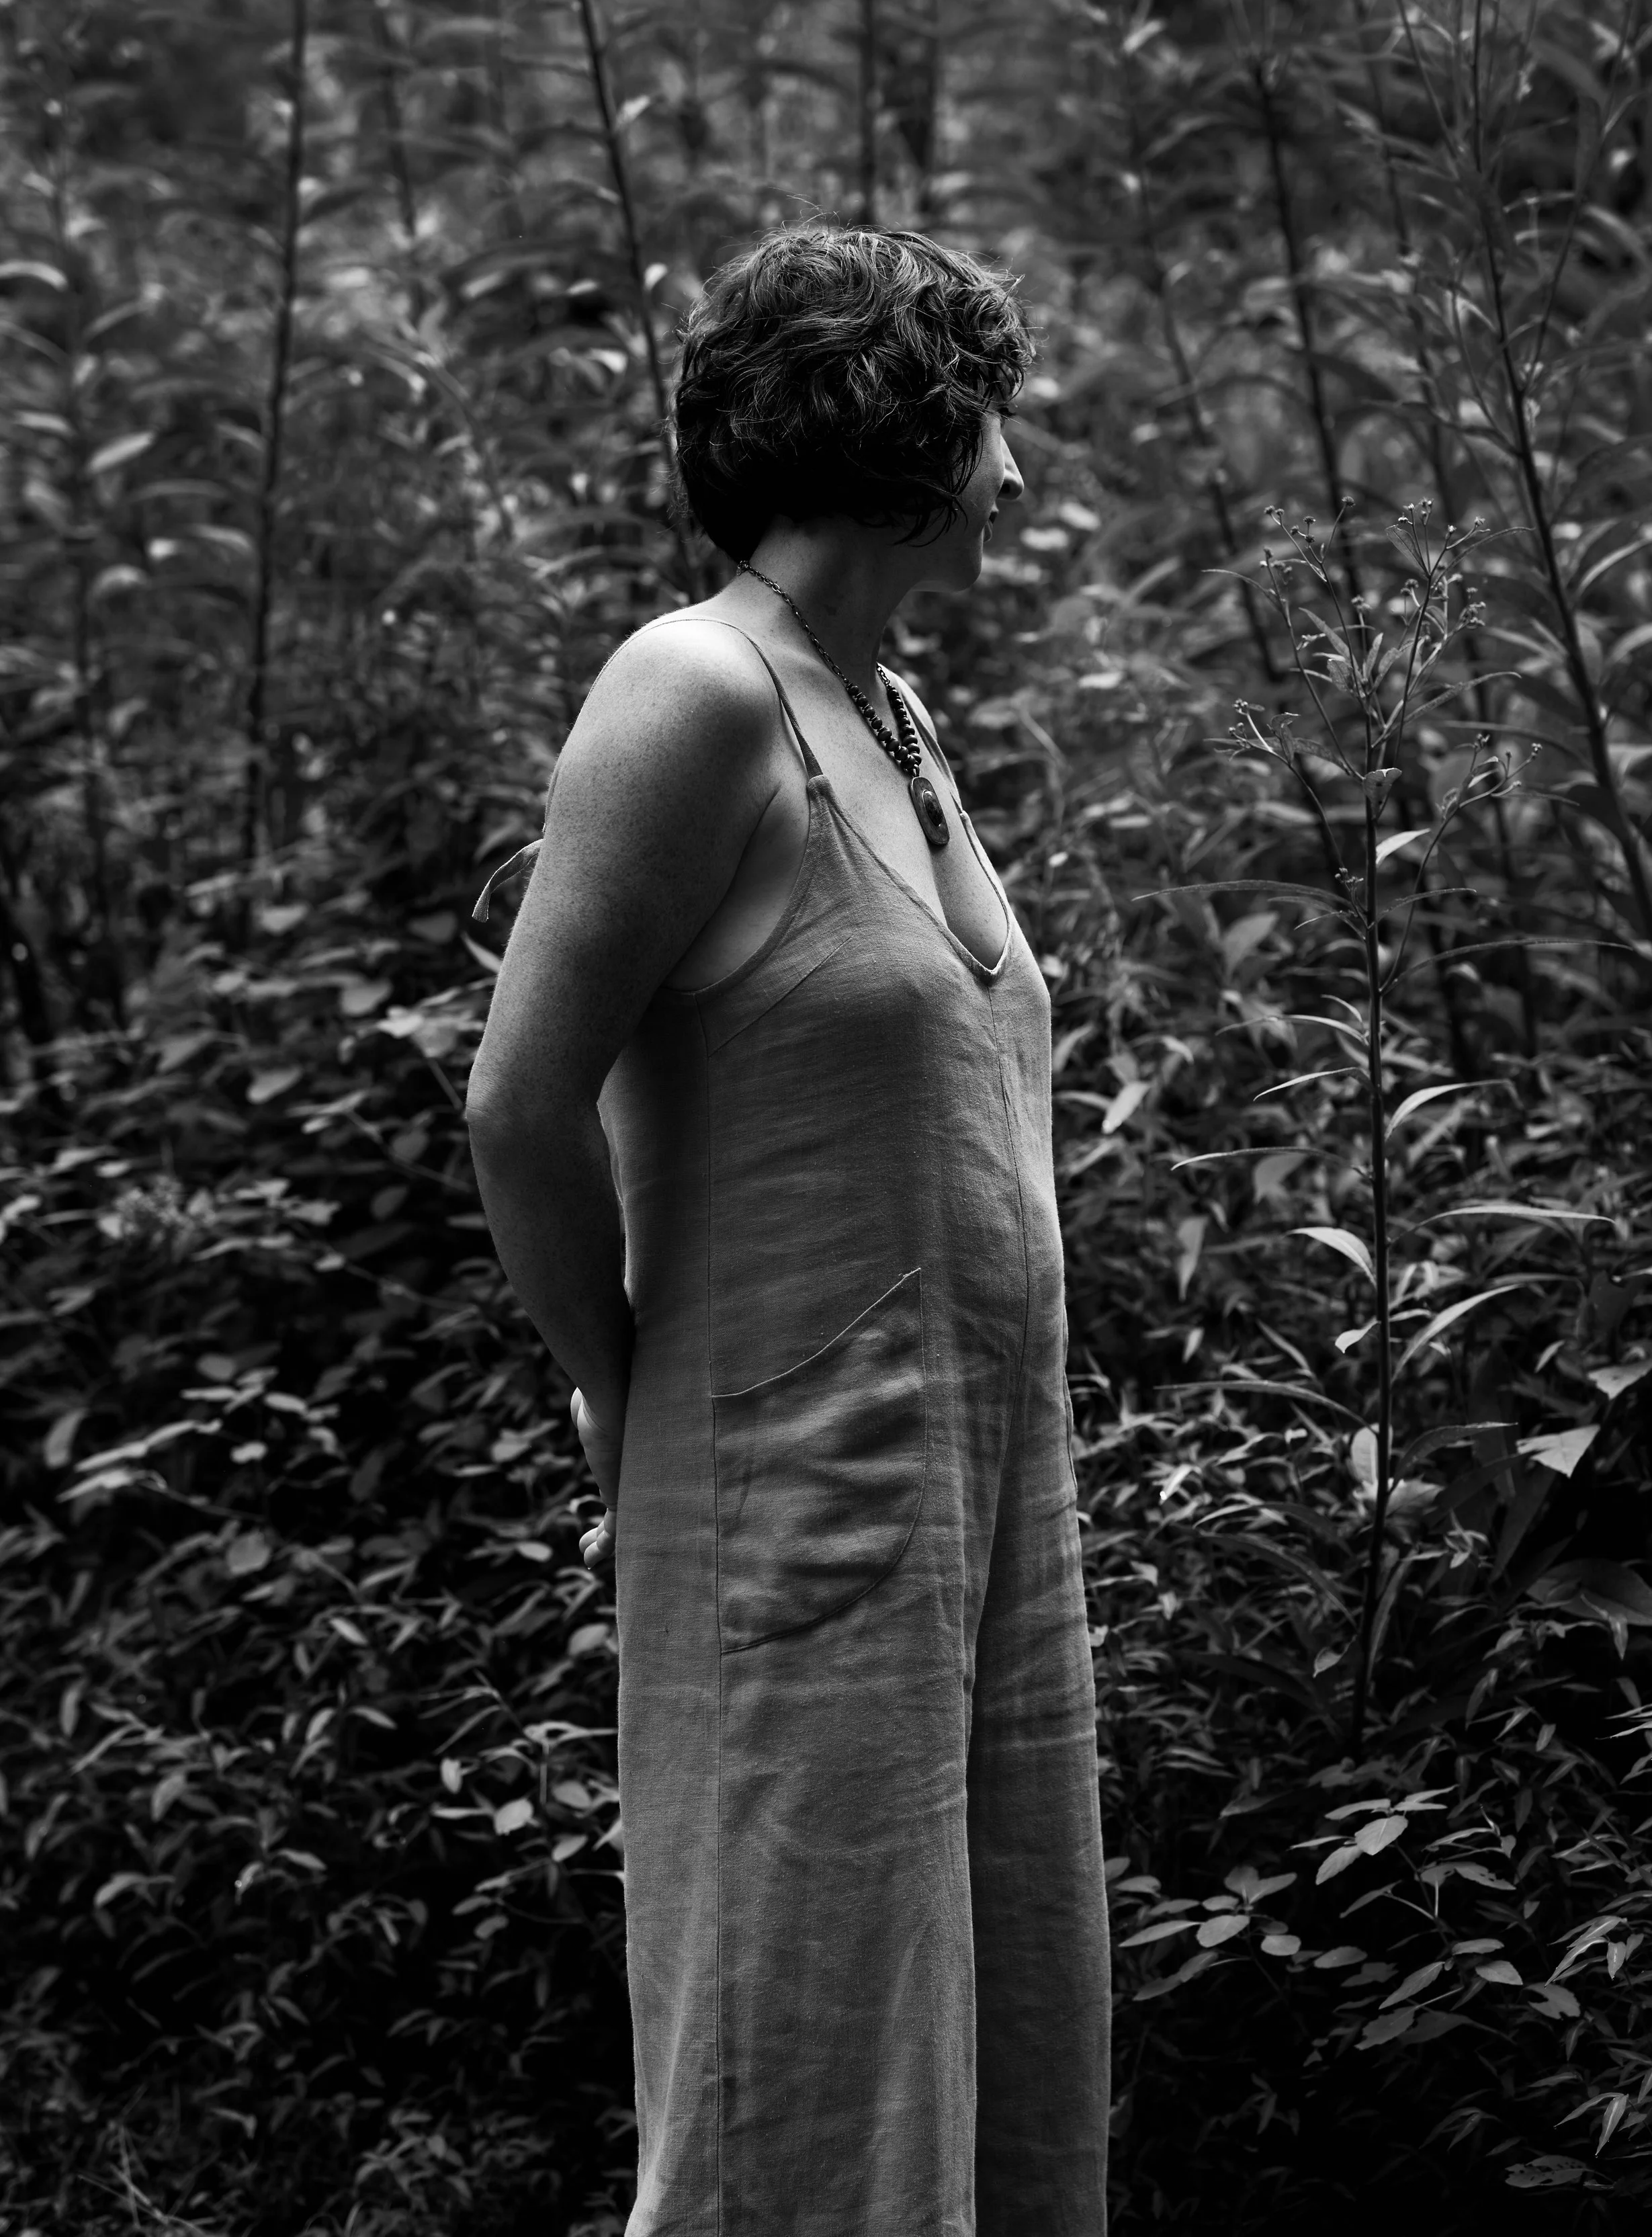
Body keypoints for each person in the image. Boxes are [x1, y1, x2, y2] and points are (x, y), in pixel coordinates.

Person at [466, 224, 1111, 2236]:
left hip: (980, 1502)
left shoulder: (887, 711)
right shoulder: (692, 690)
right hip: (793, 1493)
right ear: (895, 436)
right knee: (798, 2054)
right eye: (989, 420)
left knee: (993, 2037)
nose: (1015, 469)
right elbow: (516, 1102)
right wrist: (619, 1392)